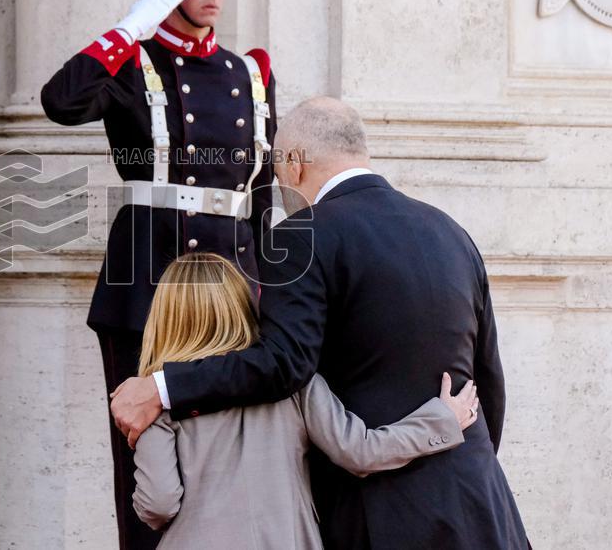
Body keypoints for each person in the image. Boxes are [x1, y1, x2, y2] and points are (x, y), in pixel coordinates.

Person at [112, 98, 531, 549]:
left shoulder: (300, 235)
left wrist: (162, 387)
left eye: (275, 173)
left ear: (293, 164)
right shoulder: (450, 232)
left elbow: (284, 364)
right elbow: (489, 380)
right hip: (478, 500)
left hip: (375, 516)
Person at [40, 0, 276, 547]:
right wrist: (132, 25)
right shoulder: (130, 63)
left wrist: (274, 300)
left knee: (226, 477)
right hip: (145, 290)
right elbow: (60, 100)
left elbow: (261, 202)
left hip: (232, 298)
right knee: (148, 487)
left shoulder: (249, 74)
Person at [131, 252, 478, 549]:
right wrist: (440, 420)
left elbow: (159, 502)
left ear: (164, 319)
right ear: (242, 306)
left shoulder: (154, 401)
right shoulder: (292, 383)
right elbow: (359, 450)